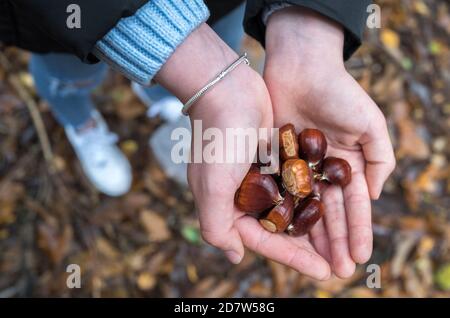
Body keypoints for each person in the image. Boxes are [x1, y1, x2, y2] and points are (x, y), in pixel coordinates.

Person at [0, 0, 395, 280]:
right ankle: (80, 121)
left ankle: (169, 91)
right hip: (64, 17)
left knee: (212, 40)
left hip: (218, 4)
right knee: (71, 75)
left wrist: (310, 27)